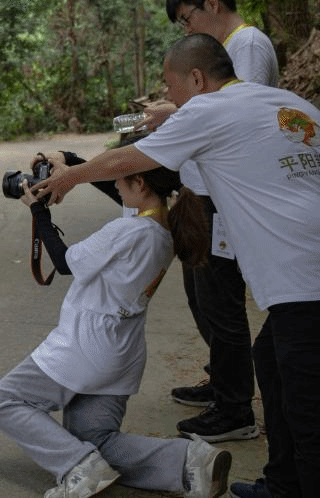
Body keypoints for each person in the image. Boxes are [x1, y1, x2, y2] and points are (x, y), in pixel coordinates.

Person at [32, 33, 320, 498]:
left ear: (197, 78)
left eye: (171, 87)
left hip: (304, 280)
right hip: (305, 273)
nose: (170, 98)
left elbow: (128, 160)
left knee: (307, 405)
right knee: (270, 363)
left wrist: (70, 176)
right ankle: (284, 483)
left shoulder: (208, 110)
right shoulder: (290, 104)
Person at [0, 150, 230, 498]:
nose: (115, 184)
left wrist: (38, 211)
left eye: (121, 177)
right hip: (123, 354)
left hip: (85, 347)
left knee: (6, 400)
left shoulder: (127, 230)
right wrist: (70, 161)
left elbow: (65, 262)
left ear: (140, 182)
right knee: (94, 438)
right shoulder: (164, 230)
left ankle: (79, 468)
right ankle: (189, 463)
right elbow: (118, 189)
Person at [137, 0, 277, 443]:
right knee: (203, 296)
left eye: (187, 18)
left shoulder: (247, 44)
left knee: (221, 303)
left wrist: (173, 112)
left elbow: (238, 111)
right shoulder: (228, 47)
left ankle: (235, 409)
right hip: (202, 192)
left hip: (225, 197)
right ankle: (223, 382)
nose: (186, 29)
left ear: (211, 5)